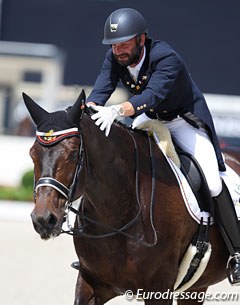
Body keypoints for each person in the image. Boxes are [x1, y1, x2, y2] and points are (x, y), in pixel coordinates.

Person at [82, 8, 240, 285]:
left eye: (124, 43)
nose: (118, 49)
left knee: (213, 182)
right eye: (114, 44)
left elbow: (153, 95)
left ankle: (236, 253)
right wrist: (88, 110)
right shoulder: (114, 57)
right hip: (148, 118)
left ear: (142, 39)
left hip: (183, 121)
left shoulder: (166, 57)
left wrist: (118, 111)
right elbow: (101, 89)